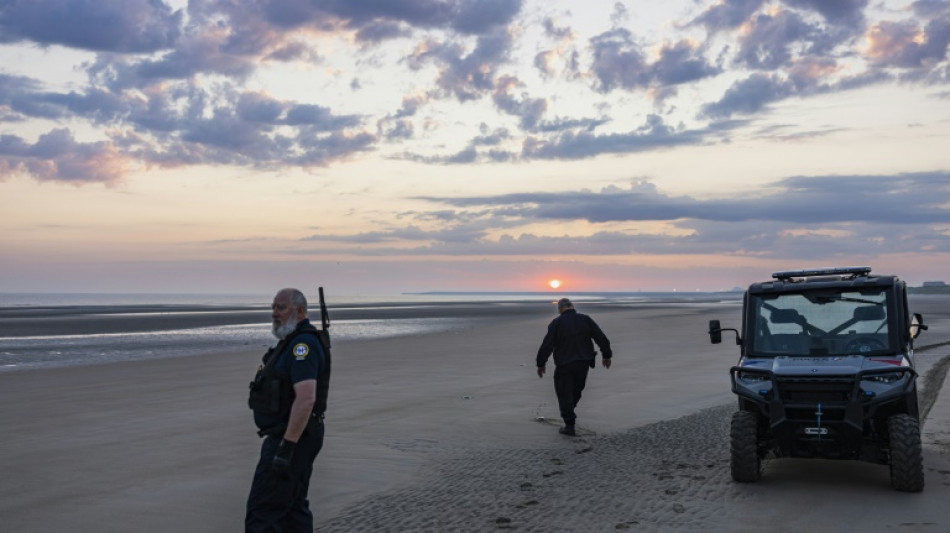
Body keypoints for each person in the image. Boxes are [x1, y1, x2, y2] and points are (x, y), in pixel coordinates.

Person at [246, 288, 329, 532]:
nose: (275, 313)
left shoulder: (302, 346)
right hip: (295, 436)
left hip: (292, 438)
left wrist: (286, 447)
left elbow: (306, 399)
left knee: (263, 512)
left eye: (281, 307)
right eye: (273, 307)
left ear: (301, 311)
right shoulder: (293, 342)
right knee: (293, 509)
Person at [536, 298, 612, 436]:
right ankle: (569, 412)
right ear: (572, 306)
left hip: (565, 365)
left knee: (564, 393)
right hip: (583, 363)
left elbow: (547, 345)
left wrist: (541, 364)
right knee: (576, 391)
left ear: (560, 309)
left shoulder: (557, 322)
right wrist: (606, 356)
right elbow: (601, 338)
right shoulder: (585, 319)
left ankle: (569, 425)